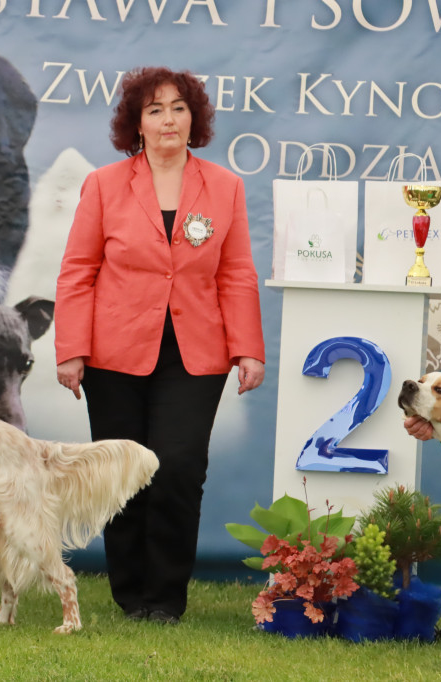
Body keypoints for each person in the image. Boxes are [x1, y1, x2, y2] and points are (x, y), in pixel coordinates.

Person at [54, 66, 266, 625]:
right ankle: (130, 593)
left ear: (193, 117)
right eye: (154, 110)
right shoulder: (103, 184)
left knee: (176, 468)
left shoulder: (225, 186)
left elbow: (237, 272)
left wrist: (249, 348)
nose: (168, 118)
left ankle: (166, 598)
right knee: (123, 470)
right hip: (113, 351)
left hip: (196, 353)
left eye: (178, 107)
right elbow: (78, 271)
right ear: (136, 125)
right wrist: (70, 348)